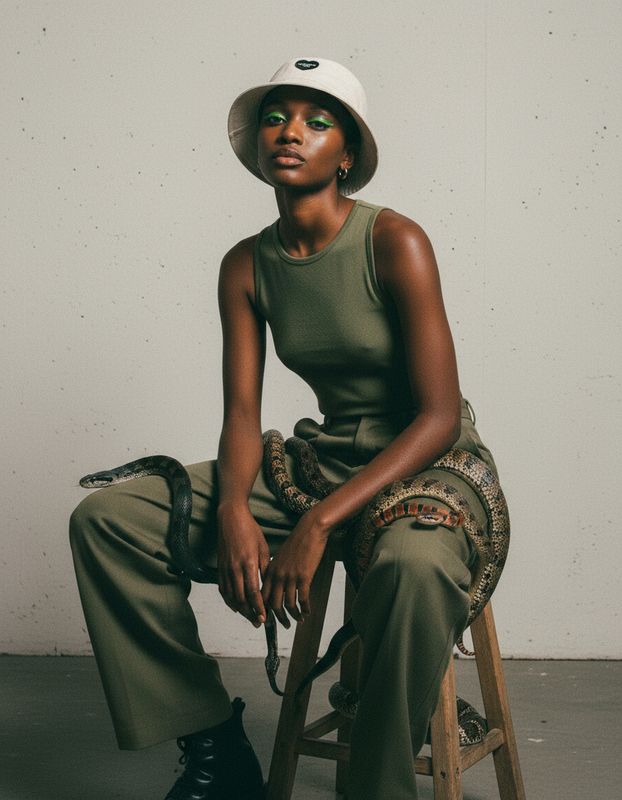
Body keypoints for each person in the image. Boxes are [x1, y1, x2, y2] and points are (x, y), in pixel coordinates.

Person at [70, 56, 500, 800]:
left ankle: (375, 786)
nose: (290, 133)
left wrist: (320, 524)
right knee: (109, 521)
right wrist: (235, 507)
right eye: (276, 117)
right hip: (323, 460)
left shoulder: (395, 240)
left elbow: (437, 414)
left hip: (425, 464)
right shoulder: (245, 264)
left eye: (316, 121)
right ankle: (213, 746)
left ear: (349, 153)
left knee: (414, 567)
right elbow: (243, 416)